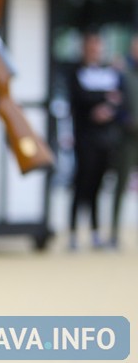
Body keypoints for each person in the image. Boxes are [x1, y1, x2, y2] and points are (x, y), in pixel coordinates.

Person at [67, 29, 126, 250]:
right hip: (84, 138)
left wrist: (107, 106)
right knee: (81, 183)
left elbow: (118, 98)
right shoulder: (76, 72)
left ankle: (94, 232)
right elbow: (81, 99)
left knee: (98, 186)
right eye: (92, 46)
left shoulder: (107, 72)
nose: (95, 51)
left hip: (104, 138)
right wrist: (102, 101)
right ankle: (72, 232)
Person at [111, 32, 138, 248]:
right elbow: (114, 103)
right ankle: (113, 233)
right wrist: (124, 119)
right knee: (120, 186)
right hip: (127, 137)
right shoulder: (122, 74)